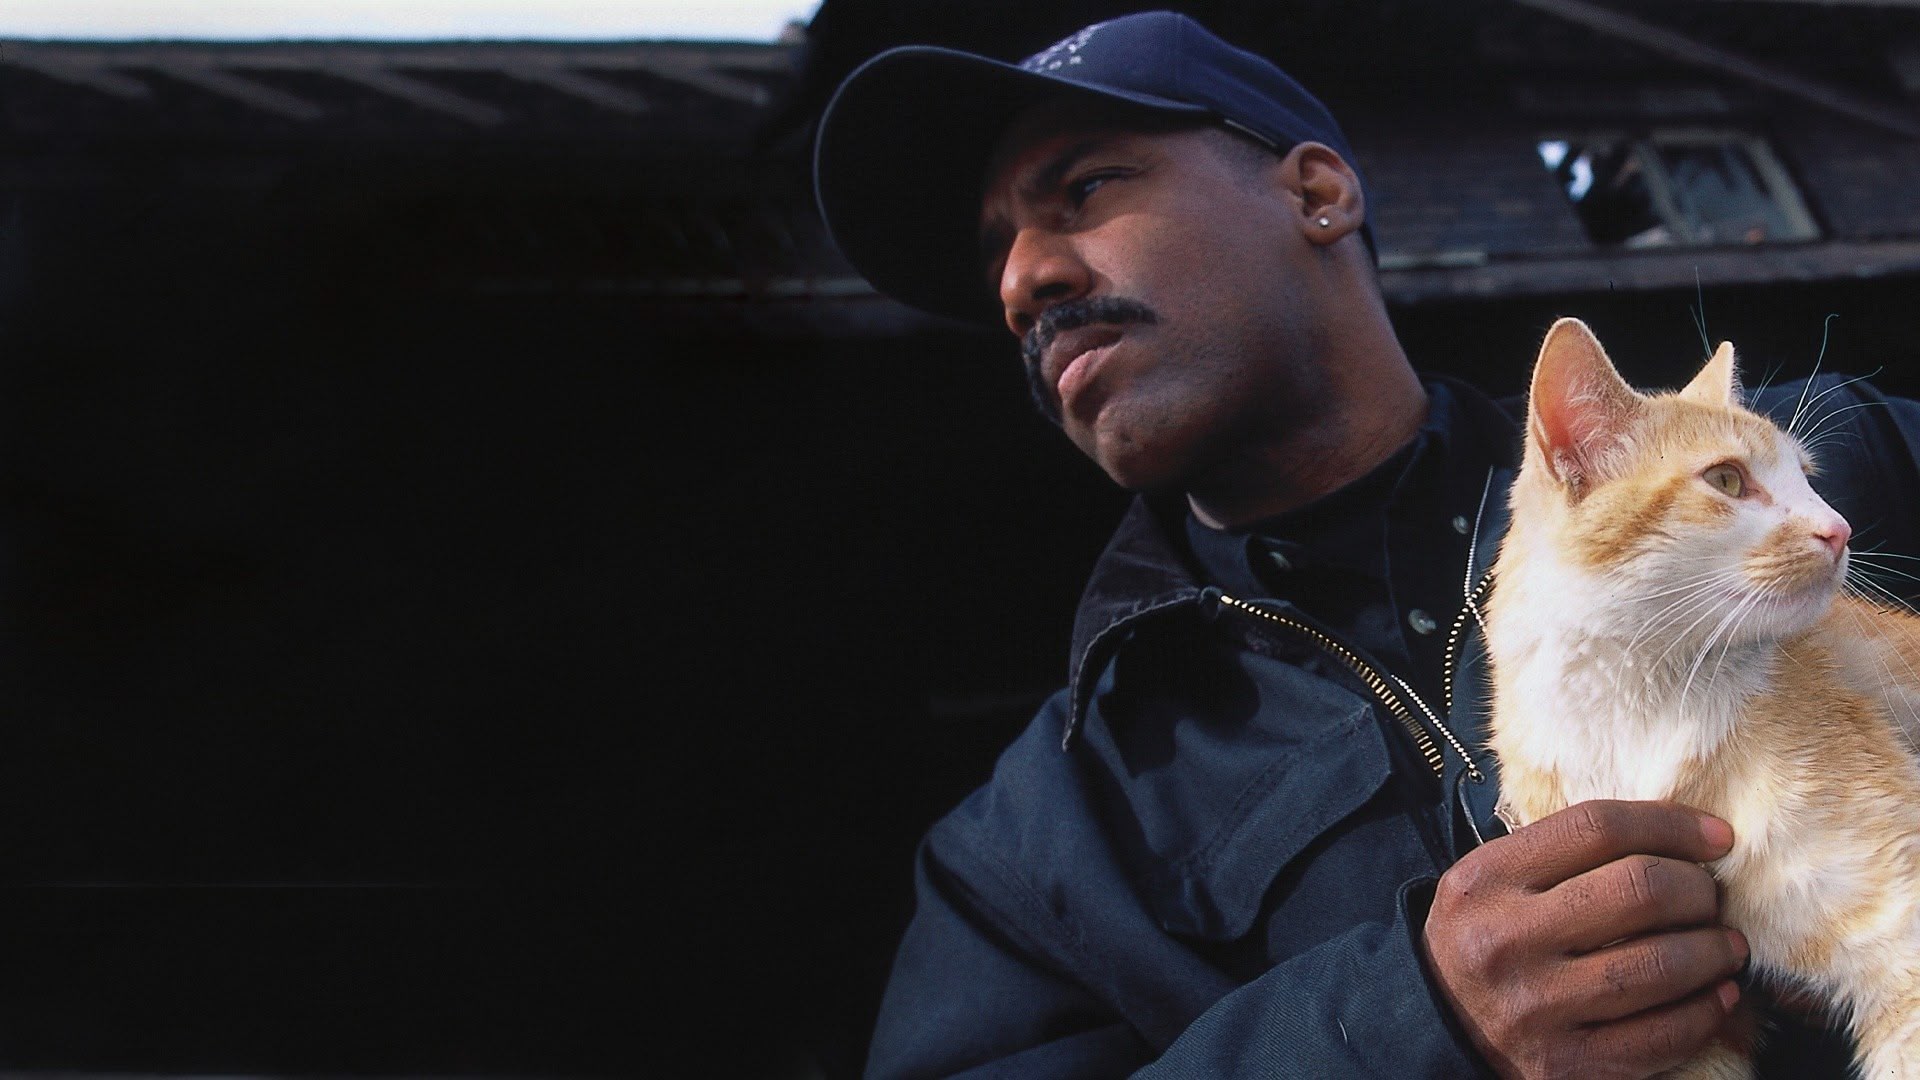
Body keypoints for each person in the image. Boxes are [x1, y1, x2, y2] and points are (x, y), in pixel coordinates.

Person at [815, 11, 1915, 1077]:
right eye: (996, 257)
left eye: (1086, 187)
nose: (1021, 284)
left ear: (1317, 194)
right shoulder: (1034, 840)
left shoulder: (1850, 462)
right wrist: (1401, 1029)